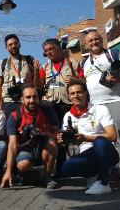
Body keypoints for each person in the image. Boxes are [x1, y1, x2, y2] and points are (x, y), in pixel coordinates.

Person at [81, 30, 120, 184]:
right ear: (85, 44)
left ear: (102, 40)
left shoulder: (114, 54)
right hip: (96, 105)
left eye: (96, 39)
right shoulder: (84, 62)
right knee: (106, 139)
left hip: (116, 100)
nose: (94, 43)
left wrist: (119, 79)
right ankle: (113, 169)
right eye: (90, 41)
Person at [57, 82, 119, 194]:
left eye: (79, 92)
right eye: (72, 93)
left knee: (99, 142)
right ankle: (95, 175)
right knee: (66, 167)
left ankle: (103, 183)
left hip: (106, 151)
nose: (76, 95)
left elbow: (113, 136)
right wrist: (61, 140)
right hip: (86, 155)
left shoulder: (100, 109)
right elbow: (66, 142)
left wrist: (86, 138)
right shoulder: (68, 116)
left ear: (86, 94)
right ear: (69, 97)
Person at [37, 38, 83, 178]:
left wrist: (76, 80)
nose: (49, 52)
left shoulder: (72, 63)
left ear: (59, 48)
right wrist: (34, 70)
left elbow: (84, 80)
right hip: (51, 107)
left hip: (69, 105)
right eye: (46, 51)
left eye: (51, 49)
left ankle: (74, 166)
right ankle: (57, 169)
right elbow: (39, 86)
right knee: (57, 137)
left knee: (71, 135)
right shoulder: (45, 67)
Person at [0, 87, 59, 189]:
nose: (32, 100)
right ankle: (30, 175)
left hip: (43, 147)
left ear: (38, 98)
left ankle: (47, 176)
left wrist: (44, 134)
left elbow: (57, 131)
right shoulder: (14, 117)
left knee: (52, 143)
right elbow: (12, 145)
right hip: (24, 149)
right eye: (28, 97)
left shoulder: (46, 109)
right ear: (22, 100)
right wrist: (8, 171)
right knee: (23, 165)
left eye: (34, 97)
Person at [0, 34, 39, 116]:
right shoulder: (3, 62)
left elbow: (35, 83)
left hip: (26, 101)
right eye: (10, 44)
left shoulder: (29, 60)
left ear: (19, 44)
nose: (13, 46)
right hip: (8, 102)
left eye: (15, 43)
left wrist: (37, 71)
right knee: (10, 127)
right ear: (6, 47)